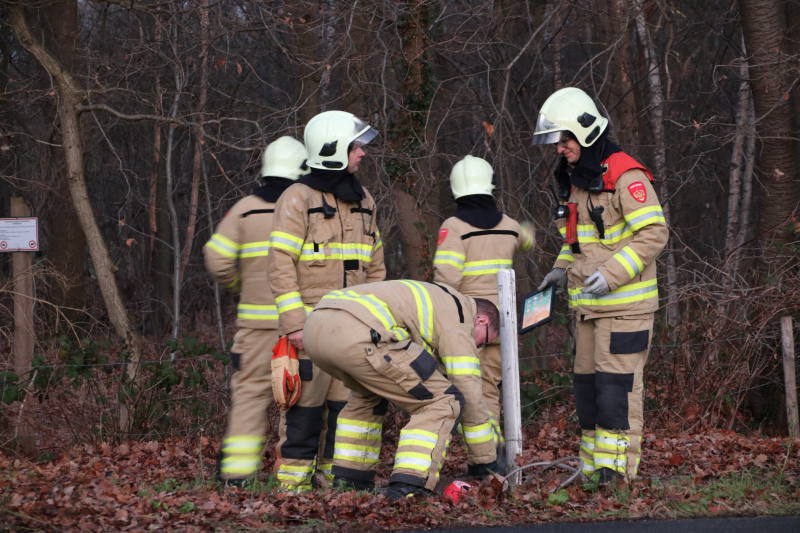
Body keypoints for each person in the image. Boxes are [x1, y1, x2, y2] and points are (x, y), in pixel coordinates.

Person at [532, 87, 668, 483]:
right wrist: (560, 268)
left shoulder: (625, 174)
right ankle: (594, 471)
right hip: (589, 310)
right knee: (589, 394)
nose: (560, 148)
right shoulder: (579, 179)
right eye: (557, 141)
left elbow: (654, 234)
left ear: (585, 131)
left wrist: (610, 276)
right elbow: (579, 242)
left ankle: (616, 473)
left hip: (625, 309)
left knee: (616, 393)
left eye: (565, 139)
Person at [266, 111, 386, 491]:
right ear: (333, 150)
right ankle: (293, 492)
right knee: (303, 414)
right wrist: (296, 324)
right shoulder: (297, 199)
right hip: (310, 331)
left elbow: (377, 269)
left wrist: (377, 323)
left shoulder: (365, 200)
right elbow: (280, 265)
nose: (362, 153)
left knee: (348, 412)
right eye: (355, 147)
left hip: (353, 332)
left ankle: (342, 489)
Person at [302, 280, 501, 500]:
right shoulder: (461, 317)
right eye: (483, 342)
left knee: (368, 396)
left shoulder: (439, 298)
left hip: (315, 330)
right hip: (360, 332)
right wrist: (485, 465)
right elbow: (468, 390)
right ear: (482, 320)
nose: (479, 348)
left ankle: (350, 481)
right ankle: (408, 486)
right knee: (444, 400)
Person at [203, 136, 308, 486]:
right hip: (300, 326)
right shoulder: (307, 207)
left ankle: (235, 476)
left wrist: (239, 286)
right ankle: (290, 478)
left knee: (249, 397)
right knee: (298, 402)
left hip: (253, 327)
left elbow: (217, 258)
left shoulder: (245, 208)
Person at [432, 155, 534, 443]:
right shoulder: (510, 225)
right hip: (502, 323)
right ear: (491, 186)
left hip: (470, 324)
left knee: (466, 390)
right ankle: (498, 447)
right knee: (490, 387)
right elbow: (526, 240)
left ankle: (483, 454)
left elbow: (446, 280)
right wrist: (528, 233)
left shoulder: (453, 227)